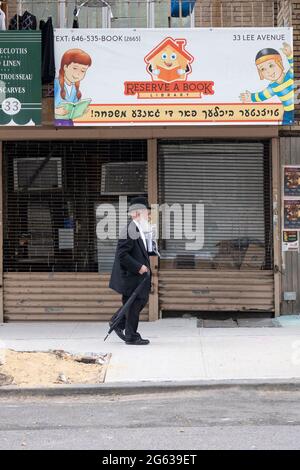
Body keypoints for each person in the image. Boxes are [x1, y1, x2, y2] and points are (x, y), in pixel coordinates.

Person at [109, 197, 152, 345]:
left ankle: (118, 321)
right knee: (134, 304)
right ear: (137, 213)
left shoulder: (138, 229)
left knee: (139, 301)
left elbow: (136, 250)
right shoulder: (129, 229)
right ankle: (131, 336)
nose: (149, 215)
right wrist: (138, 267)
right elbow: (122, 255)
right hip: (131, 276)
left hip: (137, 276)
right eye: (147, 212)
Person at [239, 42, 294, 125]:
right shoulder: (273, 87)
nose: (268, 71)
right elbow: (262, 95)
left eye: (271, 65)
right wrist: (251, 97)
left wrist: (289, 55)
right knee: (286, 125)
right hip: (288, 112)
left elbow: (293, 66)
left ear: (280, 62)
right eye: (263, 69)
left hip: (294, 109)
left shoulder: (290, 75)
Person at [54, 48, 92, 126]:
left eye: (83, 71)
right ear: (65, 67)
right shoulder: (56, 83)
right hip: (55, 122)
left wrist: (82, 111)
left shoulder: (75, 88)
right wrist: (55, 111)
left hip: (69, 122)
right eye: (75, 68)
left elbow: (74, 108)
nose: (78, 74)